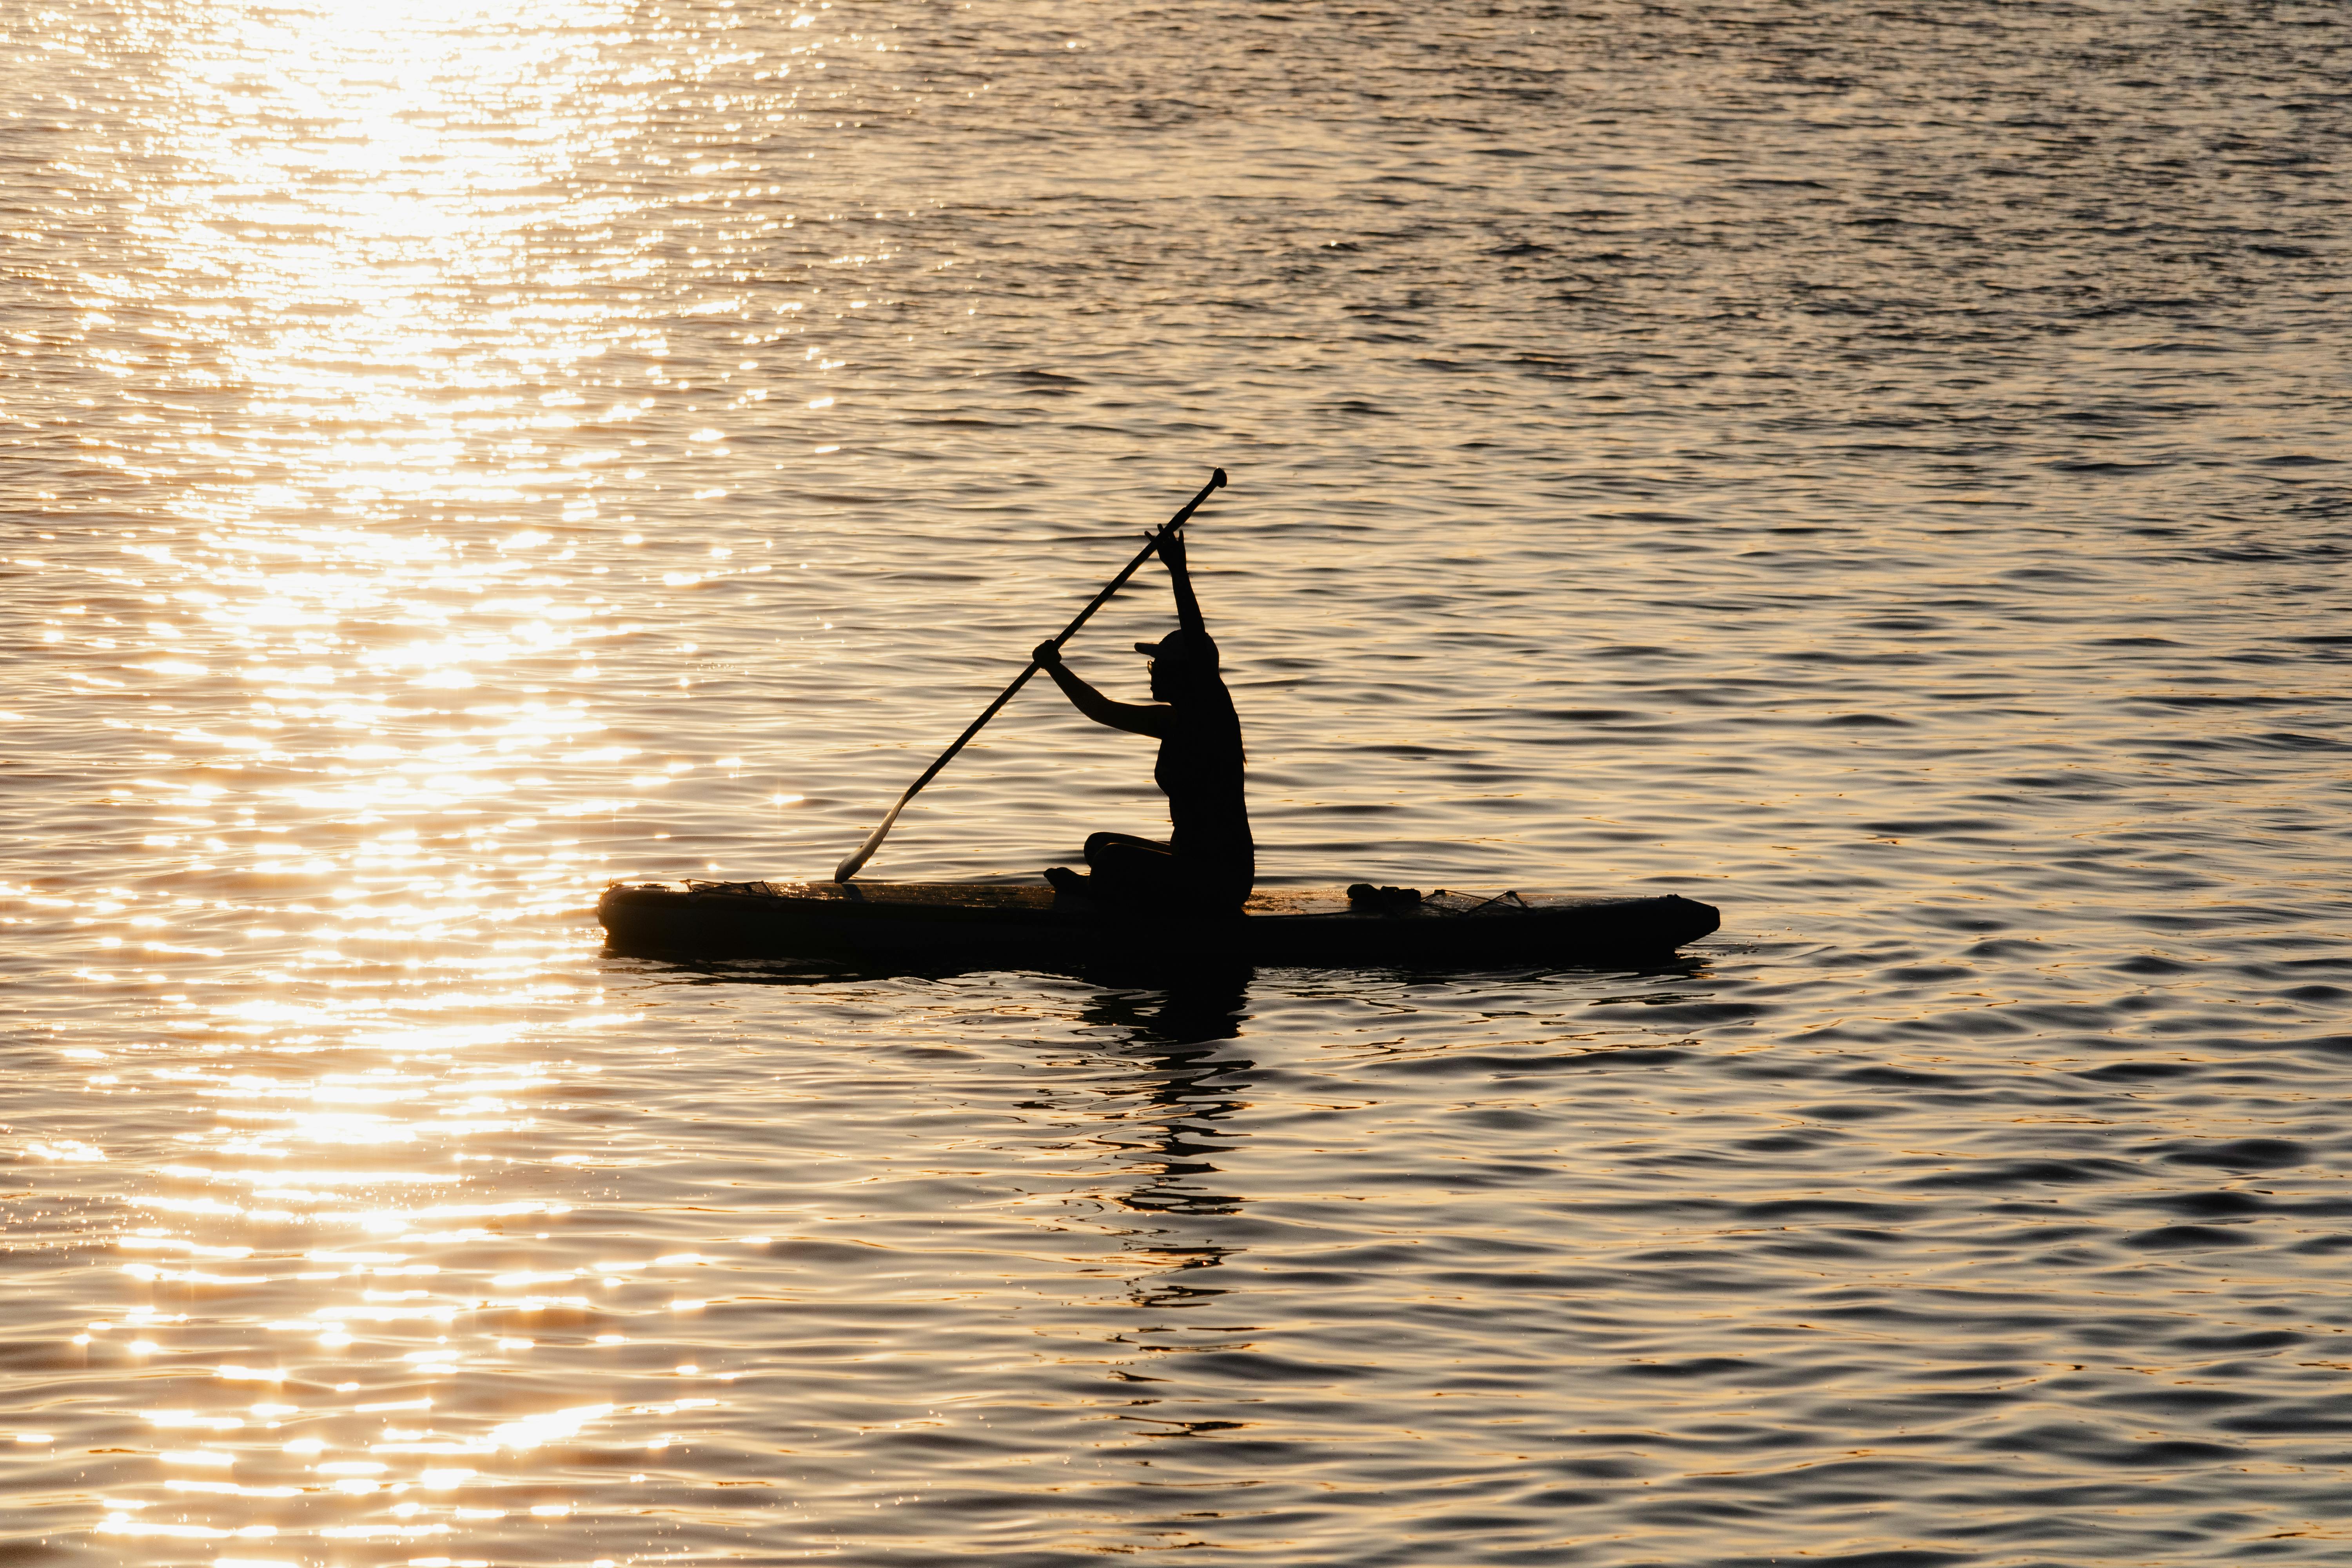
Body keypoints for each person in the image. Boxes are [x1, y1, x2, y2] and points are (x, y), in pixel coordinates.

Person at [1031, 527, 1254, 916]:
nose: (1151, 672)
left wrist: (1178, 574)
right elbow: (1101, 709)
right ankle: (1108, 887)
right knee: (1098, 845)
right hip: (1188, 863)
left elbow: (1200, 654)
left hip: (1221, 879)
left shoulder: (1213, 719)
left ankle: (1095, 891)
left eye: (1160, 666)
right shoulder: (1171, 721)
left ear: (1184, 675)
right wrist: (1054, 668)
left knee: (1111, 860)